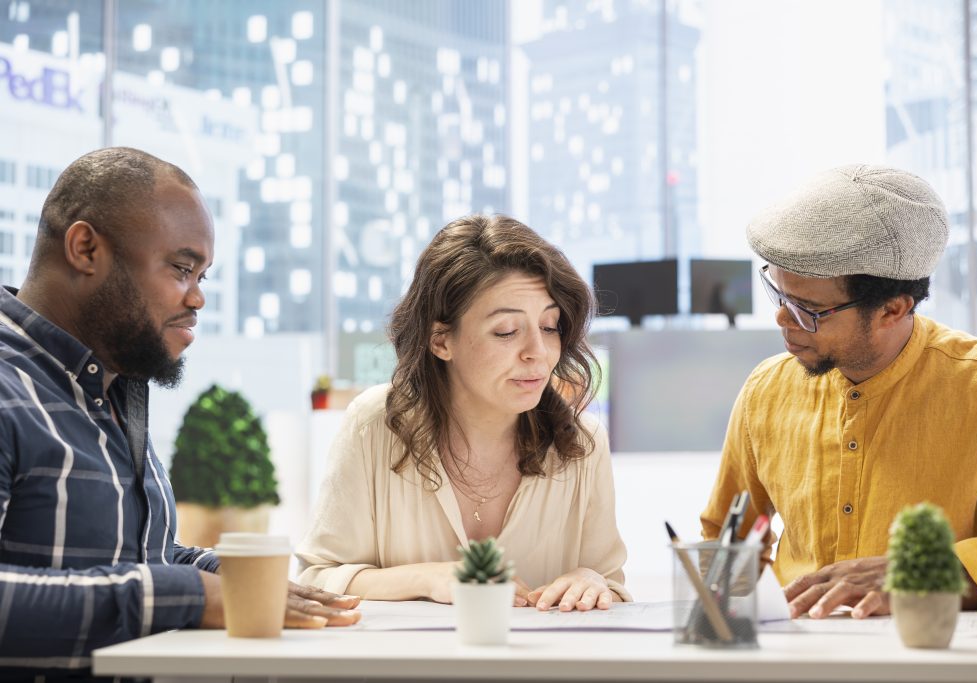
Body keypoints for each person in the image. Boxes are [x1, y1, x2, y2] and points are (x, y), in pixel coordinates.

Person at [0, 148, 359, 679]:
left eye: (203, 276)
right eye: (182, 268)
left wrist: (228, 576)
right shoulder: (10, 388)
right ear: (84, 248)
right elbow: (149, 586)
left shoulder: (115, 391)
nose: (198, 299)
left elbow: (138, 556)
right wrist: (188, 594)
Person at [701, 163, 977, 620]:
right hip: (794, 657)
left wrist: (923, 576)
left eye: (808, 310)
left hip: (936, 659)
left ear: (893, 309)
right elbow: (729, 535)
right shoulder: (765, 390)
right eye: (779, 295)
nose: (782, 320)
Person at [297, 214, 629, 611]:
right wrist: (428, 577)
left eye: (550, 327)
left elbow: (611, 586)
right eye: (507, 331)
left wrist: (591, 580)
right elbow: (318, 579)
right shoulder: (374, 425)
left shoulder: (583, 444)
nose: (537, 353)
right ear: (440, 340)